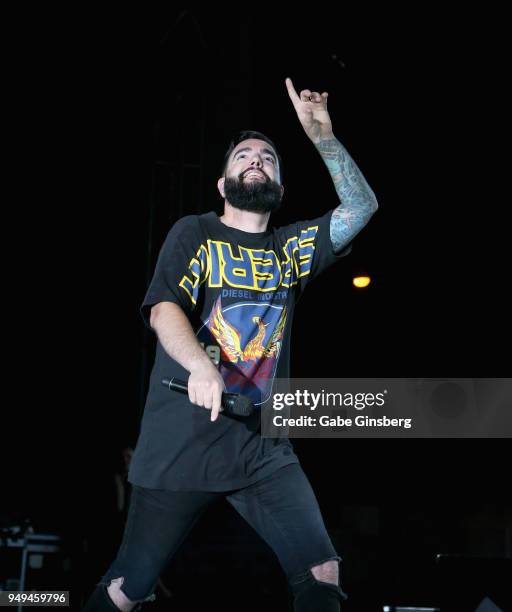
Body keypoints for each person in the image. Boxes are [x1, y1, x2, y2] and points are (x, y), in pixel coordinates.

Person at [82, 78, 378, 611]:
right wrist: (200, 366)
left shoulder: (291, 249)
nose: (257, 159)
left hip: (263, 444)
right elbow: (163, 307)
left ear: (281, 190)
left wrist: (324, 139)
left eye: (268, 157)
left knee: (322, 569)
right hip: (184, 440)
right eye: (244, 155)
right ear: (222, 183)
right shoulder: (193, 233)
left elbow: (361, 208)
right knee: (129, 588)